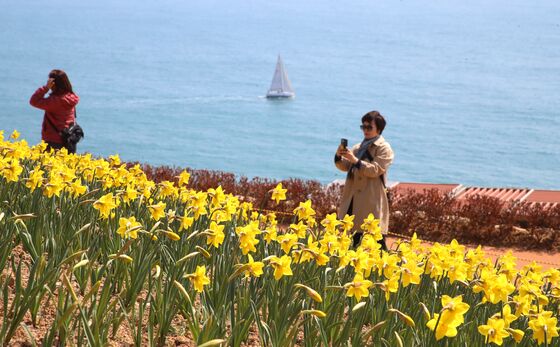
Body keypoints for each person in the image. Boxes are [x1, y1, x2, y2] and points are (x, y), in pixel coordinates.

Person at [335, 110, 394, 250]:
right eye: (363, 127)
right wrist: (339, 155)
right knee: (354, 239)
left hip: (371, 199)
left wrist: (354, 160)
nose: (365, 130)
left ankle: (383, 270)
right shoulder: (358, 147)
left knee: (374, 240)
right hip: (353, 198)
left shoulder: (384, 148)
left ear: (378, 129)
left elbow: (375, 170)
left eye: (369, 127)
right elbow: (345, 166)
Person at [30, 69, 80, 153]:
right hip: (70, 140)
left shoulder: (54, 102)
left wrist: (45, 88)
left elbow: (34, 101)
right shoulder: (72, 97)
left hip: (53, 140)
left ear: (53, 84)